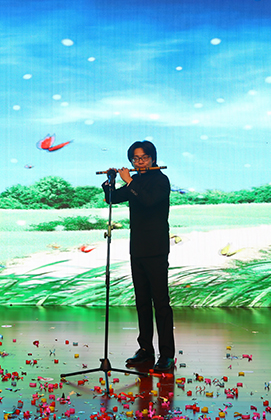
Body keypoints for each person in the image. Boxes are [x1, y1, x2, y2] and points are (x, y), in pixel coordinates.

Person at [102, 140, 175, 372]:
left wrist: (130, 181)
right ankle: (145, 349)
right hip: (138, 247)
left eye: (143, 157)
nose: (139, 162)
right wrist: (111, 181)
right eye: (135, 158)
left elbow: (148, 200)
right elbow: (113, 198)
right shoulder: (136, 181)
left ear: (152, 158)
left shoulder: (161, 180)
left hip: (157, 247)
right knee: (142, 301)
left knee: (160, 303)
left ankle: (167, 355)